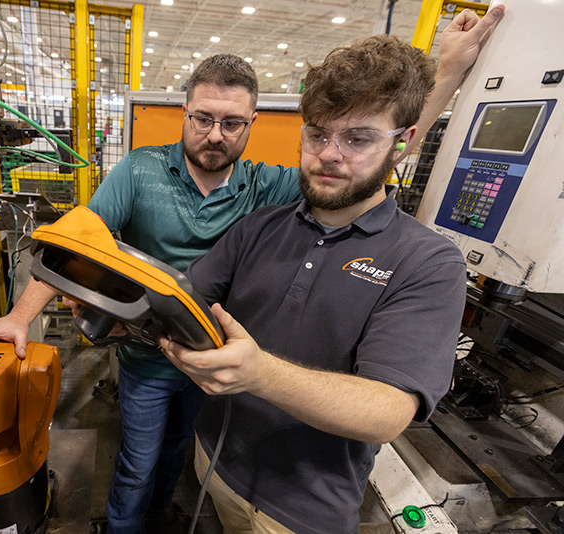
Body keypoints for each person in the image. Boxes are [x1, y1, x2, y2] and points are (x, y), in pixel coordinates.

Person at [0, 6, 503, 533]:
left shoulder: (274, 191)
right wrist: (24, 318)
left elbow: (367, 150)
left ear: (251, 124)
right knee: (136, 460)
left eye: (231, 123)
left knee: (176, 456)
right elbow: (76, 236)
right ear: (185, 115)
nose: (215, 134)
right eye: (203, 119)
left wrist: (443, 74)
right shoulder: (146, 173)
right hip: (152, 355)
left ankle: (158, 516)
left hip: (223, 380)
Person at [157, 6, 505, 534]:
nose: (330, 155)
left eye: (359, 138)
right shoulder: (259, 227)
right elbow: (183, 297)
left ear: (404, 141)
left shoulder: (428, 261)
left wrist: (260, 374)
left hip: (306, 508)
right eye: (318, 134)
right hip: (215, 462)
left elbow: (390, 410)